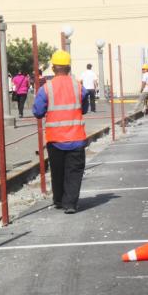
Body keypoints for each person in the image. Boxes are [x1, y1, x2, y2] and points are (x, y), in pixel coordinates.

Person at [33, 50, 88, 215]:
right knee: (74, 172)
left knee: (57, 171)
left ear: (53, 68)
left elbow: (37, 112)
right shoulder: (79, 87)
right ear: (69, 67)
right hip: (76, 138)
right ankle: (70, 203)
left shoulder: (46, 88)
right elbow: (84, 108)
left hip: (55, 140)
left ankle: (58, 200)